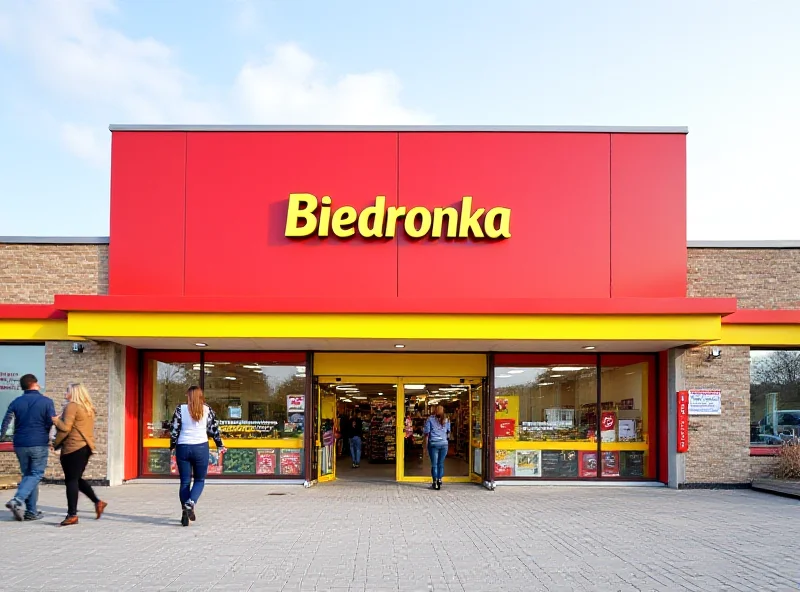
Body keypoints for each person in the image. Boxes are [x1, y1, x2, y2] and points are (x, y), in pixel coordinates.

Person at [1, 374, 55, 521]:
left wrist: (2, 438)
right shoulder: (46, 402)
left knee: (28, 476)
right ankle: (17, 499)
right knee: (36, 474)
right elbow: (52, 423)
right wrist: (53, 441)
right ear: (35, 384)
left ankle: (31, 512)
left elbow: (6, 422)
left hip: (20, 444)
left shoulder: (16, 402)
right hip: (38, 442)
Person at [52, 383, 107, 526]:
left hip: (73, 447)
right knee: (76, 479)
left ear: (74, 393)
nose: (65, 393)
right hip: (85, 447)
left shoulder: (72, 406)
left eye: (67, 390)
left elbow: (65, 428)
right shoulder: (88, 408)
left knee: (71, 481)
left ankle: (72, 515)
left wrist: (56, 421)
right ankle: (98, 502)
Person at [169, 386, 225, 527]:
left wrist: (172, 446)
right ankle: (191, 503)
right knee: (199, 479)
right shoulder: (207, 410)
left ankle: (184, 513)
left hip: (183, 447)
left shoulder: (180, 409)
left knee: (185, 482)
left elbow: (174, 430)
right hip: (201, 448)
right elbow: (214, 430)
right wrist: (219, 445)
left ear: (188, 395)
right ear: (201, 396)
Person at [423, 405, 450, 490]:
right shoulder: (447, 420)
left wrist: (425, 446)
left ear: (435, 411)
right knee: (441, 463)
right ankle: (439, 479)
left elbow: (426, 433)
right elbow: (448, 432)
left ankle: (435, 483)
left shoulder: (430, 419)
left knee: (434, 464)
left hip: (434, 443)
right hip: (444, 444)